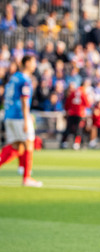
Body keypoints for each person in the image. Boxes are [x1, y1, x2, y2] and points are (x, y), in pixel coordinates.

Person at [0, 55, 42, 187]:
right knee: (29, 143)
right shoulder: (25, 79)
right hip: (19, 116)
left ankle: (26, 176)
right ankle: (27, 178)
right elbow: (24, 100)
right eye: (34, 62)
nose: (35, 65)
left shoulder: (14, 77)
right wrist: (26, 119)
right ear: (27, 63)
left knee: (17, 147)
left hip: (9, 115)